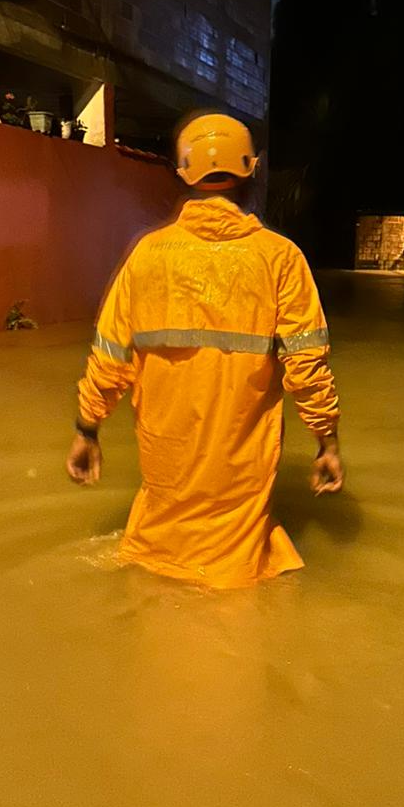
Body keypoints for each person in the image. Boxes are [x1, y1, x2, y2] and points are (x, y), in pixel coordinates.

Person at [66, 112, 344, 589]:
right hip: (240, 477)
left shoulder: (147, 256)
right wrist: (327, 441)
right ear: (252, 171)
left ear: (183, 173)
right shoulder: (280, 258)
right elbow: (307, 364)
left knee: (152, 574)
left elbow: (110, 357)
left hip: (165, 468)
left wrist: (87, 430)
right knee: (240, 589)